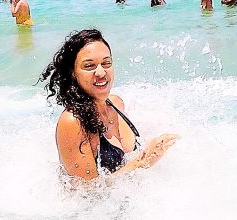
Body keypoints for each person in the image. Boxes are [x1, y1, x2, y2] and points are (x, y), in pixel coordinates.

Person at [40, 28, 178, 179]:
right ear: (73, 72)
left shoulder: (116, 103)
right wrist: (142, 162)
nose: (101, 73)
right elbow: (86, 191)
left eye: (106, 63)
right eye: (89, 66)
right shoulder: (73, 122)